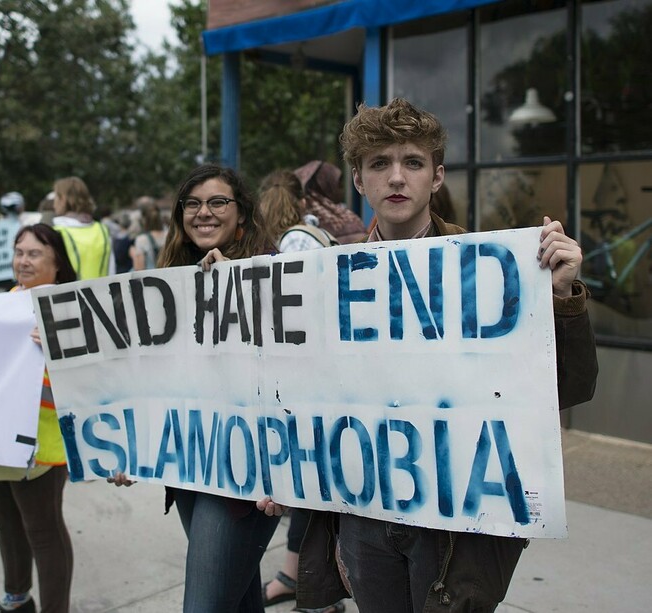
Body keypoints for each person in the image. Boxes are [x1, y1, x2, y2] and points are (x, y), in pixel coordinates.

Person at [256, 98, 598, 613]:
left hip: (453, 522)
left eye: (412, 163)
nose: (397, 178)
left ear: (436, 177)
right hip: (365, 516)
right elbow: (298, 390)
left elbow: (571, 388)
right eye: (379, 164)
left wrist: (562, 299)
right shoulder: (324, 277)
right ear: (358, 179)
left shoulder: (488, 269)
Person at [111, 164, 280, 612]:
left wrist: (238, 287)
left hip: (246, 476)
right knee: (238, 599)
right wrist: (132, 443)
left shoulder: (272, 269)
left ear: (241, 215)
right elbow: (151, 374)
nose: (204, 213)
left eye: (218, 202)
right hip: (192, 463)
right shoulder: (170, 279)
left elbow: (292, 366)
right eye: (193, 203)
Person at [256, 168, 344, 613]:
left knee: (310, 493)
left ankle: (316, 592)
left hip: (306, 388)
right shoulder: (308, 235)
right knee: (308, 491)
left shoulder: (294, 243)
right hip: (307, 385)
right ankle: (304, 584)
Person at [0, 223, 77, 613]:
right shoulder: (6, 302)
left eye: (34, 253)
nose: (22, 260)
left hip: (43, 444)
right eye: (19, 251)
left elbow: (91, 375)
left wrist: (59, 345)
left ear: (57, 264)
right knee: (5, 520)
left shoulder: (70, 307)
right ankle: (16, 598)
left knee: (43, 531)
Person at [51, 177, 113, 280]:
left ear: (63, 199)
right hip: (104, 293)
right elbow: (112, 269)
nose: (53, 204)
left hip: (69, 295)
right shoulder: (102, 230)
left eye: (55, 198)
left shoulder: (57, 231)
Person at [293, 160, 367, 244]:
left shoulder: (295, 219)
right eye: (339, 185)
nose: (342, 190)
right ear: (326, 186)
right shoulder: (345, 220)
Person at [129, 199, 166, 271]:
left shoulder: (142, 239)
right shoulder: (170, 235)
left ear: (144, 219)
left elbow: (139, 268)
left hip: (151, 279)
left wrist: (134, 255)